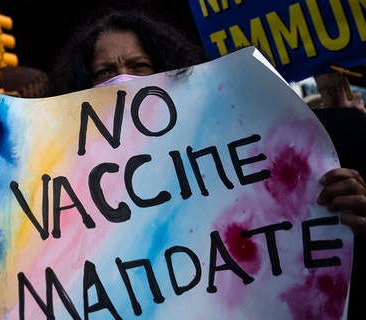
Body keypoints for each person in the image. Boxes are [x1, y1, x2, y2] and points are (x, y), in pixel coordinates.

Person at [44, 5, 366, 319]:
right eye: (105, 71)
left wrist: (343, 211)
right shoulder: (69, 189)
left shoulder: (233, 149)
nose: (123, 79)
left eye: (139, 65)